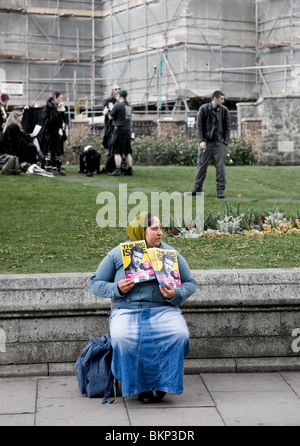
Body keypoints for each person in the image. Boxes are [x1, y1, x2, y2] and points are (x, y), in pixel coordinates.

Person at [90, 212, 196, 404]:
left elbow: (190, 282)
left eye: (160, 228)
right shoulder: (118, 253)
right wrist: (117, 288)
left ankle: (162, 383)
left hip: (163, 309)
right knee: (124, 338)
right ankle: (143, 388)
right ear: (141, 231)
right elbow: (96, 283)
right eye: (154, 229)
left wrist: (175, 295)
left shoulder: (170, 254)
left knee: (179, 335)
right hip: (127, 310)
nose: (160, 233)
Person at [190, 90, 231, 199]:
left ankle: (220, 191)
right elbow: (200, 127)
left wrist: (225, 142)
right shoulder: (203, 109)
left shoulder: (224, 111)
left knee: (220, 167)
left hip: (219, 144)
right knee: (201, 166)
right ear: (215, 98)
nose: (223, 100)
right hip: (206, 143)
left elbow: (227, 127)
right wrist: (201, 141)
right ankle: (197, 189)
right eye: (221, 98)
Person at [39, 91, 66, 175]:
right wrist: (58, 111)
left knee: (57, 149)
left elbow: (62, 119)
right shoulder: (48, 107)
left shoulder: (57, 107)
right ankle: (48, 167)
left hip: (57, 132)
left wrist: (61, 112)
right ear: (55, 97)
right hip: (49, 132)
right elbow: (50, 120)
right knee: (49, 149)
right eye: (60, 98)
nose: (61, 100)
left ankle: (56, 166)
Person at [108, 90, 133, 176]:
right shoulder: (129, 106)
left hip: (119, 130)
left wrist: (111, 108)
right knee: (127, 152)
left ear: (119, 96)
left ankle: (118, 170)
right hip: (127, 130)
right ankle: (130, 170)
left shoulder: (118, 105)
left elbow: (110, 116)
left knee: (117, 151)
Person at [102, 85, 121, 174]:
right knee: (110, 145)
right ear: (112, 91)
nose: (117, 90)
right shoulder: (109, 101)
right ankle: (110, 167)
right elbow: (105, 112)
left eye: (119, 89)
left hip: (119, 127)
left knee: (118, 148)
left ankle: (119, 167)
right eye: (115, 89)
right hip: (110, 127)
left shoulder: (122, 102)